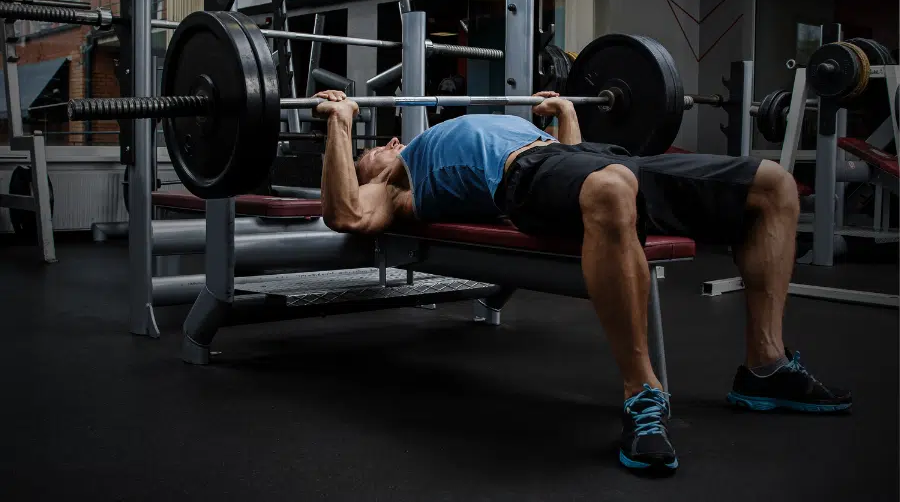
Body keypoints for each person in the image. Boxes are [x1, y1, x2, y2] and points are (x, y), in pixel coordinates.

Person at [313, 89, 851, 474]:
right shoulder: (395, 185)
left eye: (373, 145)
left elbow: (569, 169)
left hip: (580, 158)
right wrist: (339, 123)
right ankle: (643, 393)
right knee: (612, 190)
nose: (377, 147)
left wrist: (565, 113)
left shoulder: (420, 143)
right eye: (364, 154)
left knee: (773, 185)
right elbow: (346, 215)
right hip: (521, 178)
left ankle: (765, 365)